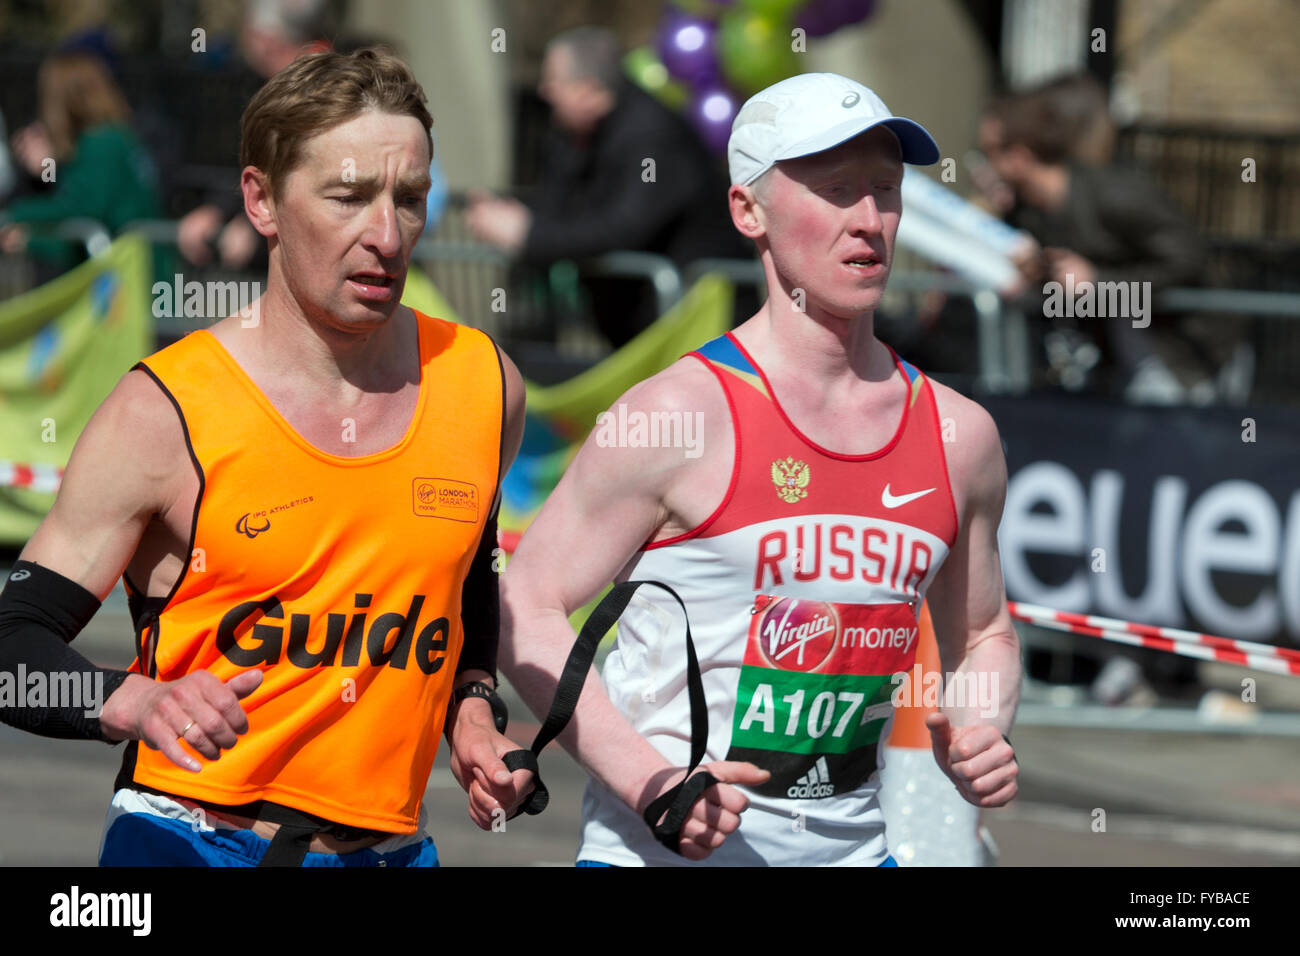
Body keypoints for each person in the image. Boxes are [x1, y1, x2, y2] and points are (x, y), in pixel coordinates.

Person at [0, 48, 531, 866]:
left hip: (390, 851)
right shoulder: (165, 410)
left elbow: (466, 580)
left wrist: (470, 703)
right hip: (193, 842)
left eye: (411, 199)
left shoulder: (484, 384)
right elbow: (13, 649)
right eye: (348, 197)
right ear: (262, 201)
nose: (386, 236)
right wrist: (131, 700)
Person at [499, 73, 1021, 866]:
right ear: (750, 211)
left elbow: (983, 633)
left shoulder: (960, 435)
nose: (869, 221)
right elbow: (526, 607)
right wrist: (651, 781)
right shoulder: (675, 416)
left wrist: (980, 727)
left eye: (884, 190)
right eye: (836, 190)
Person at [466, 26, 750, 347]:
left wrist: (528, 234)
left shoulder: (652, 135)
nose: (544, 90)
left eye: (554, 81)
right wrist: (515, 215)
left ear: (588, 89)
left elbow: (624, 226)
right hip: (634, 329)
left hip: (696, 326)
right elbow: (559, 203)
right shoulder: (571, 132)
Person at [976, 78, 1212, 402]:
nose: (981, 166)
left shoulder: (1116, 195)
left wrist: (1099, 282)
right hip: (1113, 359)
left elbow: (1189, 260)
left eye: (990, 153)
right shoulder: (1028, 212)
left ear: (1019, 157)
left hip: (1180, 354)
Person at [1, 51, 161, 281]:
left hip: (131, 282)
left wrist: (14, 215)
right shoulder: (114, 136)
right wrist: (47, 168)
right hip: (134, 272)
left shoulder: (100, 142)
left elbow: (80, 207)